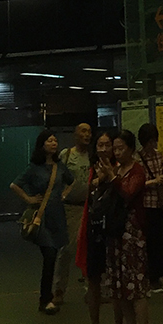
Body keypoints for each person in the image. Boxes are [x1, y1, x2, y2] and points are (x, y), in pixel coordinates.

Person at [12, 130, 75, 314]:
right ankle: (45, 298)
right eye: (49, 140)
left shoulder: (60, 166)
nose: (54, 143)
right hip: (42, 217)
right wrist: (29, 199)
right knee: (49, 254)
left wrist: (64, 194)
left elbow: (72, 181)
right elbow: (14, 185)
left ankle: (47, 297)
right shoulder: (34, 168)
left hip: (57, 215)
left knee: (53, 255)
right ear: (42, 145)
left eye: (55, 140)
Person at [105, 128, 150, 324]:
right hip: (116, 231)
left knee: (136, 286)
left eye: (121, 148)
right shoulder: (116, 169)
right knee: (121, 287)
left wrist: (112, 178)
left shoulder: (137, 170)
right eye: (114, 149)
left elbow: (128, 192)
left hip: (133, 232)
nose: (117, 152)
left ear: (131, 149)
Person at [79, 130, 116, 324]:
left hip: (114, 228)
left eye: (107, 145)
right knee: (93, 278)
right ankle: (95, 323)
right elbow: (87, 192)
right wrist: (98, 179)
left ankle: (119, 322)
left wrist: (108, 176)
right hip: (95, 228)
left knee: (117, 279)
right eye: (100, 145)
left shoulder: (119, 167)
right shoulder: (92, 168)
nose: (103, 149)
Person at [56, 124, 94, 306]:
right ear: (75, 135)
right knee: (66, 249)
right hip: (70, 208)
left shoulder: (93, 156)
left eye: (89, 132)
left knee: (90, 249)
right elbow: (56, 176)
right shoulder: (66, 155)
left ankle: (91, 290)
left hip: (90, 207)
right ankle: (59, 290)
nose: (87, 135)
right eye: (83, 131)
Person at [138, 122, 163, 293]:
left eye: (154, 141)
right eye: (150, 141)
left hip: (159, 204)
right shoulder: (138, 158)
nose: (153, 145)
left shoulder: (159, 155)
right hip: (146, 205)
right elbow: (138, 183)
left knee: (161, 241)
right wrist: (155, 181)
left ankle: (158, 275)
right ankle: (149, 277)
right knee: (149, 243)